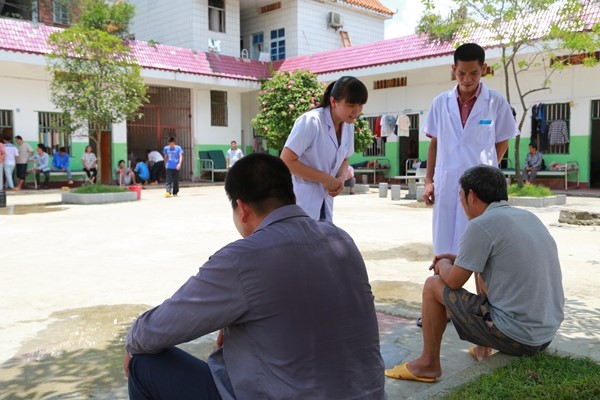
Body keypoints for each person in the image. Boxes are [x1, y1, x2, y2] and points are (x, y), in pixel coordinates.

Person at [123, 153, 385, 399]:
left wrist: (132, 342)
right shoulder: (341, 239)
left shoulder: (241, 259)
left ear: (242, 208)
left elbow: (153, 331)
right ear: (290, 195)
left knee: (142, 362)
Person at [385, 165, 564, 383]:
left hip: (518, 337)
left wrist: (441, 263)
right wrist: (458, 258)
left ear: (471, 195)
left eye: (460, 197)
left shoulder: (481, 225)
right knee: (482, 269)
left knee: (433, 285)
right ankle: (482, 348)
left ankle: (428, 363)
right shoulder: (527, 217)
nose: (461, 204)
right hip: (544, 335)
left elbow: (453, 281)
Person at [421, 43, 519, 264]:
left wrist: (489, 170)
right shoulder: (440, 103)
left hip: (480, 187)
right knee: (444, 248)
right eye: (461, 73)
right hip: (446, 183)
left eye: (474, 73)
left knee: (481, 250)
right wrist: (428, 180)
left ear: (484, 69)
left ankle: (482, 298)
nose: (467, 79)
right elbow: (434, 142)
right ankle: (447, 297)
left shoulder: (495, 102)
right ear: (453, 69)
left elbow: (503, 139)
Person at [281, 76, 368, 221]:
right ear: (333, 102)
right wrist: (325, 178)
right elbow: (286, 161)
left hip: (325, 203)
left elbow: (344, 158)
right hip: (301, 201)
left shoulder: (348, 126)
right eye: (351, 104)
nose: (357, 110)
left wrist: (340, 178)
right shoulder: (311, 121)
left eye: (361, 105)